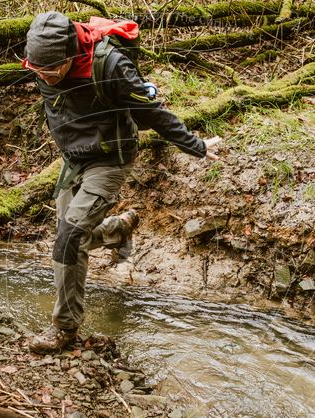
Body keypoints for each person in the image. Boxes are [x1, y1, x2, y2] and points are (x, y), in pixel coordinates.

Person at [23, 11, 220, 354]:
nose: (44, 77)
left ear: (69, 55)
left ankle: (64, 330)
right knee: (68, 241)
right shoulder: (42, 63)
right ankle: (118, 230)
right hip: (72, 160)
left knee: (69, 237)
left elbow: (152, 113)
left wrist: (196, 145)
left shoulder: (112, 67)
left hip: (110, 159)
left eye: (51, 70)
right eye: (36, 70)